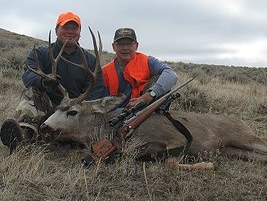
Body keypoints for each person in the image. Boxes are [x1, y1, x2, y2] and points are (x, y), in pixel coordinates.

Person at [0, 11, 108, 151]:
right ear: (57, 30)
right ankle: (23, 136)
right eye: (65, 28)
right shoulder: (40, 53)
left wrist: (80, 105)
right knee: (32, 92)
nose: (70, 32)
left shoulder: (91, 61)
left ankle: (63, 138)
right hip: (48, 105)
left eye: (74, 28)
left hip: (76, 111)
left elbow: (97, 89)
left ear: (79, 32)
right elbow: (28, 76)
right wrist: (43, 82)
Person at [102, 28, 178, 109]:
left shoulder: (148, 61)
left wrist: (148, 96)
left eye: (130, 44)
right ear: (113, 47)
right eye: (120, 44)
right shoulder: (105, 72)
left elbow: (171, 75)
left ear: (136, 46)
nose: (125, 48)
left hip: (145, 111)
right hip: (115, 116)